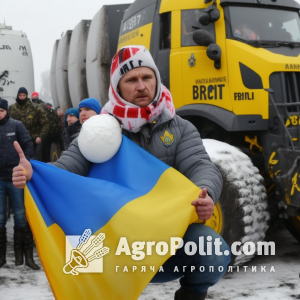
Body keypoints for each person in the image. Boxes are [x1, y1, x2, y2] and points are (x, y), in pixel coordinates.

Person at [12, 46, 230, 300]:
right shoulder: (99, 130)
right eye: (131, 80)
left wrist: (207, 193)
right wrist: (34, 172)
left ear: (156, 81)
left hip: (164, 238)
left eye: (147, 78)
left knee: (213, 252)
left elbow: (201, 166)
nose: (141, 86)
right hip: (109, 240)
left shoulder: (180, 128)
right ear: (117, 87)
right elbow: (66, 169)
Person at [0, 98, 40, 270]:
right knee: (0, 218)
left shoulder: (16, 126)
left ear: (6, 111)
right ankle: (1, 258)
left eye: (1, 110)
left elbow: (28, 144)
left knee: (20, 216)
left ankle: (24, 258)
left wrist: (26, 162)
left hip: (16, 180)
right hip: (0, 180)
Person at [9, 87, 49, 161]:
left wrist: (41, 137)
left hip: (34, 141)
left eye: (24, 95)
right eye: (20, 95)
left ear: (26, 96)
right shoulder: (12, 108)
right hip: (17, 141)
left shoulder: (35, 107)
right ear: (17, 95)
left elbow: (45, 123)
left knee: (34, 162)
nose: (22, 97)